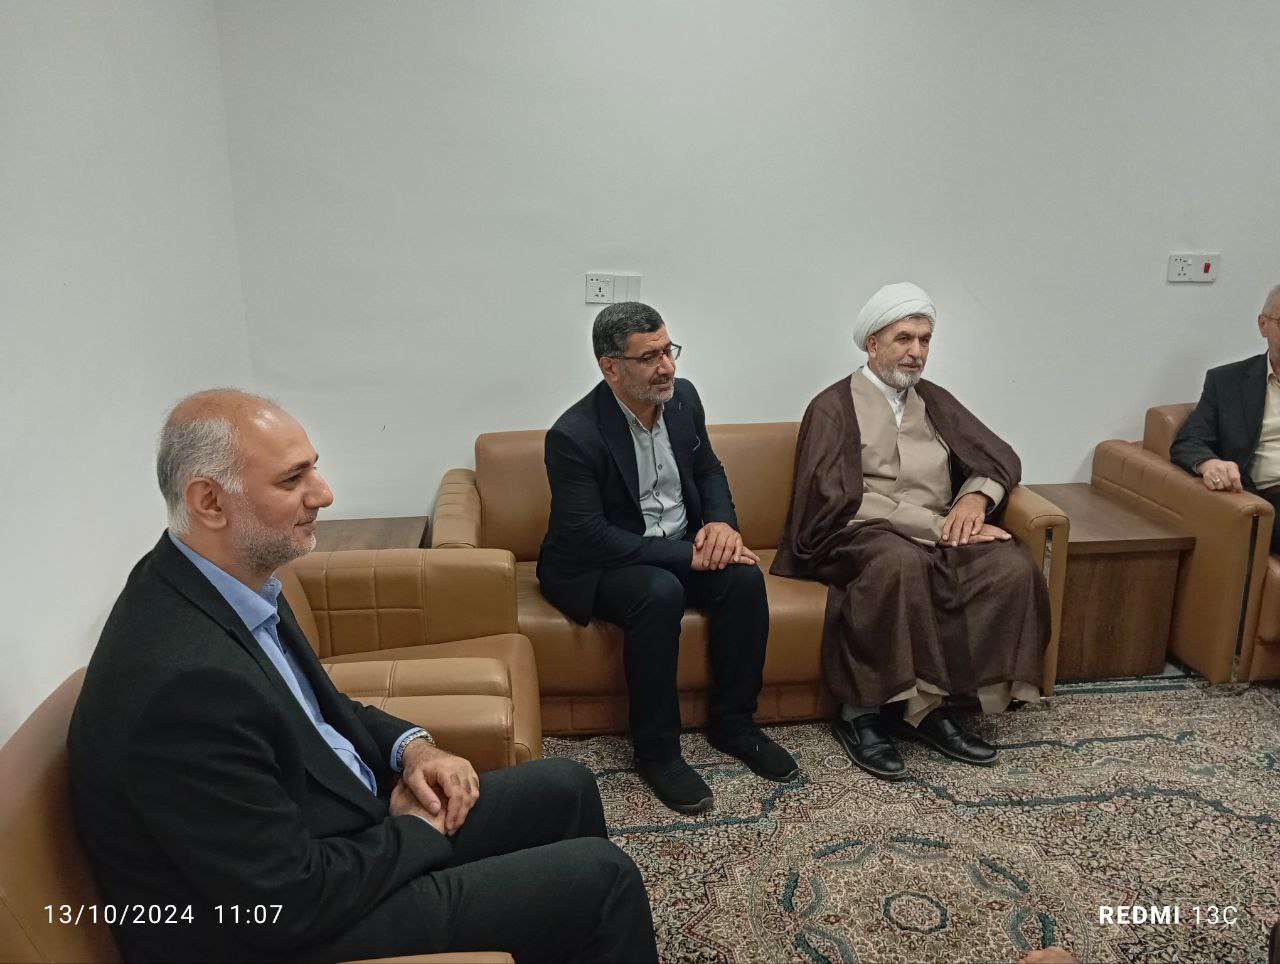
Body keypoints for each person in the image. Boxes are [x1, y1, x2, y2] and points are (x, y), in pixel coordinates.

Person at [67, 389, 657, 964]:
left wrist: (413, 749)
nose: (323, 493)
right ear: (209, 502)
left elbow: (321, 710)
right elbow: (285, 902)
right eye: (291, 480)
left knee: (565, 787)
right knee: (601, 880)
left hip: (340, 838)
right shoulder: (183, 686)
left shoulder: (230, 583)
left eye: (313, 468)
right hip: (289, 925)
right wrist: (416, 829)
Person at [772, 283, 1050, 781]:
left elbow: (997, 458)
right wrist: (939, 527)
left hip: (936, 529)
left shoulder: (934, 400)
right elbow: (840, 497)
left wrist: (976, 499)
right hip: (856, 530)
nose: (915, 352)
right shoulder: (833, 406)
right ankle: (861, 713)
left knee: (1010, 565)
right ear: (872, 343)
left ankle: (935, 704)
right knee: (899, 563)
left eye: (924, 340)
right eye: (903, 338)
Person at [537, 302, 798, 814]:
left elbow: (707, 469)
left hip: (678, 543)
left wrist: (721, 525)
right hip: (601, 563)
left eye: (668, 350)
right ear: (610, 367)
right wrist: (686, 556)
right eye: (649, 357)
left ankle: (735, 725)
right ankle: (657, 753)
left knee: (744, 579)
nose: (667, 367)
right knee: (659, 592)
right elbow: (589, 535)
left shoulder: (683, 400)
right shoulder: (573, 434)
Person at [1170, 284, 1280, 551]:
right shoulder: (1227, 382)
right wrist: (1210, 464)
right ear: (1263, 325)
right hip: (1270, 500)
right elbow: (1189, 441)